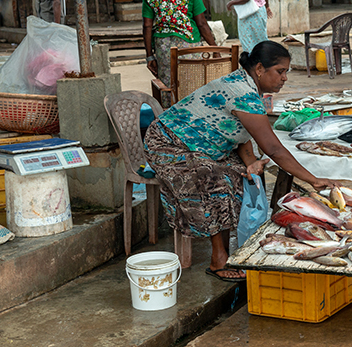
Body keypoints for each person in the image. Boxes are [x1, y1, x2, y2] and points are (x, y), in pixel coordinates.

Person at [144, 41, 339, 282]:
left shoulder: (248, 87)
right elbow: (274, 149)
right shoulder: (242, 92)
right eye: (280, 71)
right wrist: (313, 179)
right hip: (167, 144)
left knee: (241, 174)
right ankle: (218, 260)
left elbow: (241, 135)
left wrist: (250, 162)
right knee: (214, 177)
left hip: (199, 146)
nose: (285, 78)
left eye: (286, 71)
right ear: (259, 69)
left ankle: (232, 247)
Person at [142, 0, 217, 107]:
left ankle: (171, 123)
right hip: (189, 47)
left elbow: (147, 26)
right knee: (192, 88)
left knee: (169, 89)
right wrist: (215, 48)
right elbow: (202, 23)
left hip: (163, 49)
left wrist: (149, 56)